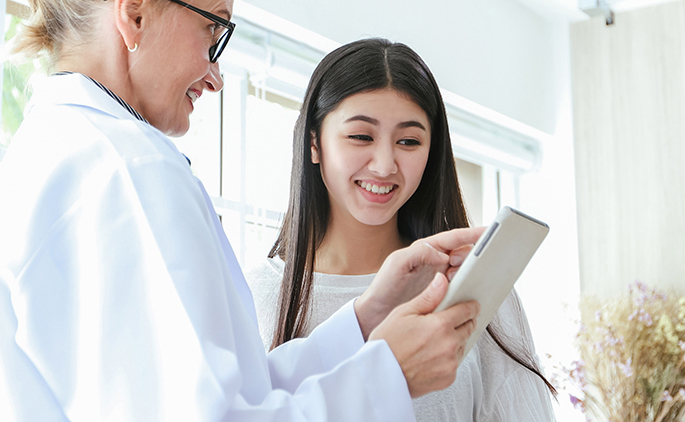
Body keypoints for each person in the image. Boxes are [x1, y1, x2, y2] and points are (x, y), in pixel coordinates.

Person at [0, 0, 486, 420]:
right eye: (213, 27)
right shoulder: (131, 169)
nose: (215, 77)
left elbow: (234, 396)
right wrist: (391, 375)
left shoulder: (51, 152)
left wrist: (364, 318)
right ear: (135, 15)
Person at [246, 38, 557, 421]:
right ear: (314, 143)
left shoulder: (478, 289)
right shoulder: (253, 297)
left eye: (409, 141)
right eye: (361, 136)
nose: (383, 165)